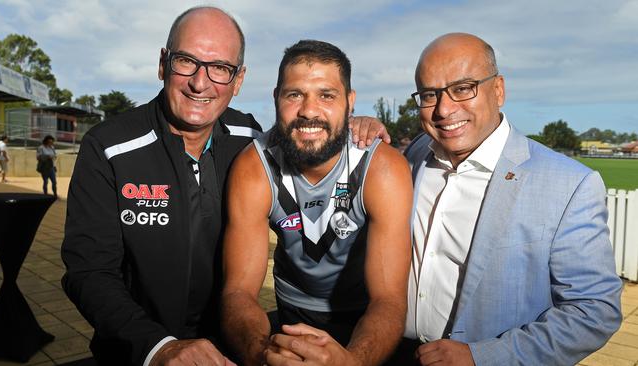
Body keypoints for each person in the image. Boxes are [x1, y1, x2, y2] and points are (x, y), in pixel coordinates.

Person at [61, 6, 386, 366]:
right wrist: (158, 346)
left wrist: (357, 125)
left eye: (220, 68)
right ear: (163, 63)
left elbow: (309, 128)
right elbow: (88, 273)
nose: (200, 83)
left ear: (238, 79)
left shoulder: (251, 140)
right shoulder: (108, 147)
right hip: (138, 351)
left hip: (230, 349)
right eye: (187, 61)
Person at [389, 33, 623, 365]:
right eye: (430, 94)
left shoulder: (570, 184)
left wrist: (484, 356)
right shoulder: (413, 155)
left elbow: (594, 310)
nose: (444, 109)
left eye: (462, 88)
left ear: (498, 90)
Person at [220, 40, 412, 366]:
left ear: (349, 102)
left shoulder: (382, 168)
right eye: (295, 94)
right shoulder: (253, 167)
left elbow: (389, 300)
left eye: (327, 95)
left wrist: (354, 362)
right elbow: (238, 292)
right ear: (277, 98)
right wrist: (263, 355)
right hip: (292, 309)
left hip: (365, 315)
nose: (309, 110)